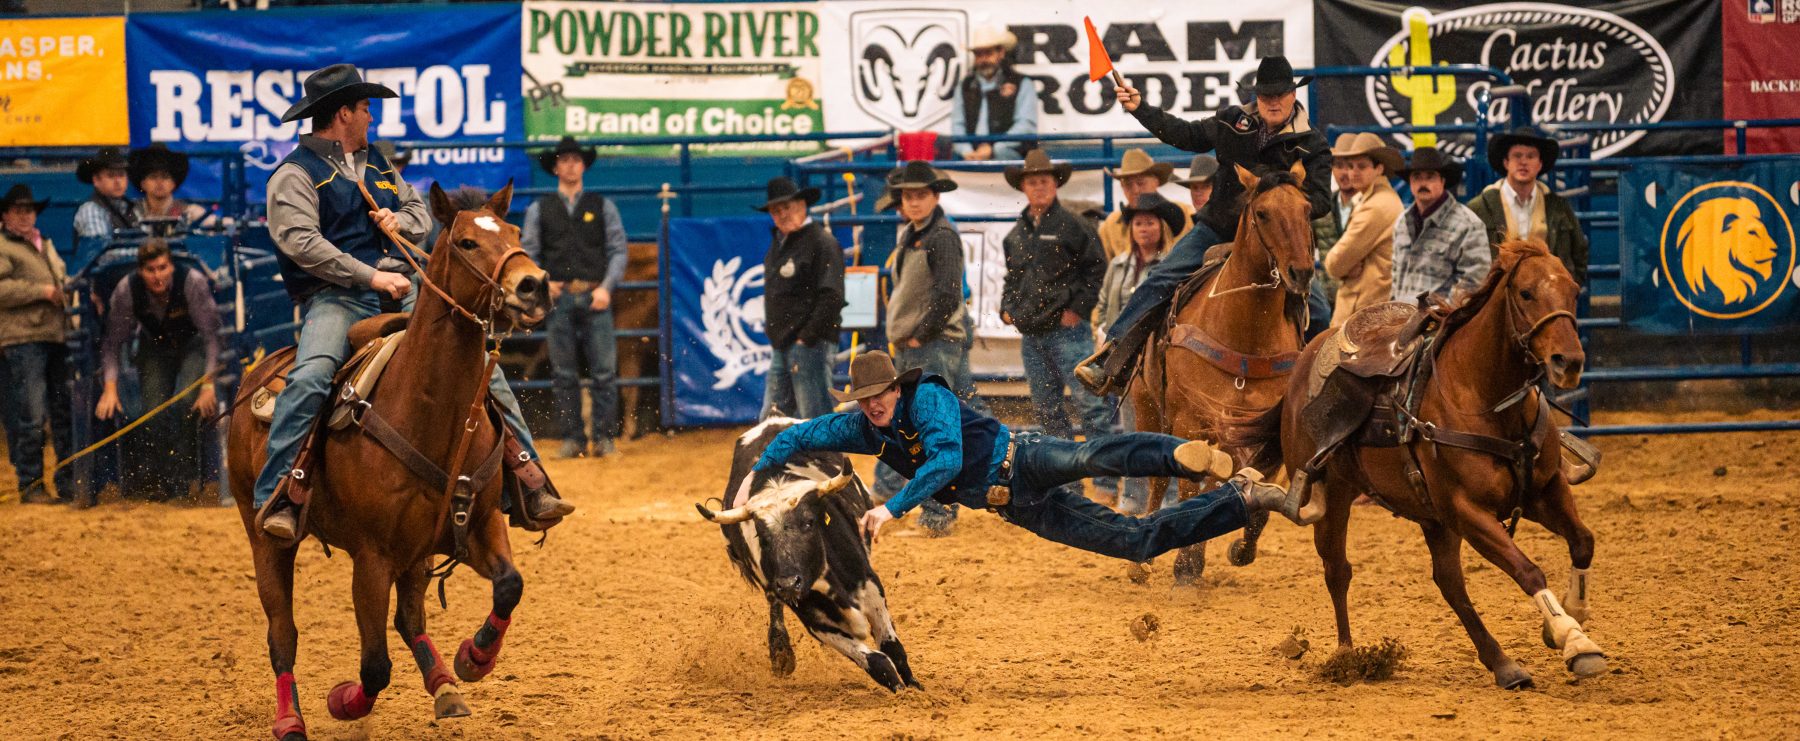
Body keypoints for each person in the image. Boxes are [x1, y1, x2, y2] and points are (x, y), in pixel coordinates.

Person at [256, 64, 572, 538]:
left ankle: (529, 480)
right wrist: (370, 276)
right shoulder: (294, 175)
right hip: (338, 301)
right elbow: (302, 243)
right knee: (312, 377)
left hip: (405, 294)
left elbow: (419, 216)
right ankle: (281, 494)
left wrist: (397, 221)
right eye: (365, 109)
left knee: (484, 365)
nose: (371, 118)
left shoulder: (378, 163)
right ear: (342, 113)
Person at [749, 351, 1307, 560]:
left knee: (1093, 456)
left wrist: (891, 509)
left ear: (898, 389)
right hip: (1017, 505)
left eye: (880, 396)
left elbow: (943, 462)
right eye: (865, 400)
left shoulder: (931, 400)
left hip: (1023, 458)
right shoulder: (865, 428)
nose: (872, 406)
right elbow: (803, 433)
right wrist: (756, 470)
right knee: (1134, 543)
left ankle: (1181, 457)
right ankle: (1241, 498)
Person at [1077, 56, 1332, 395]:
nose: (1273, 102)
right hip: (1218, 226)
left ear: (1292, 95)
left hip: (1278, 241)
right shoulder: (1231, 122)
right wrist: (1141, 108)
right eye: (1266, 95)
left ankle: (1316, 388)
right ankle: (1111, 358)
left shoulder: (1313, 144)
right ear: (1257, 96)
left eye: (1280, 94)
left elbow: (1322, 200)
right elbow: (1186, 134)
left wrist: (1281, 206)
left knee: (1318, 309)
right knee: (1162, 279)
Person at [998, 150, 1114, 502]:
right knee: (1048, 409)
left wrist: (1077, 309)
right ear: (1024, 186)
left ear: (1055, 184)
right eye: (1032, 182)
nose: (1038, 187)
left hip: (1067, 331)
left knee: (1090, 405)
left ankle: (1106, 482)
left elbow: (1097, 270)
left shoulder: (1075, 225)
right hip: (1033, 334)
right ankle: (1067, 482)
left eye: (1044, 181)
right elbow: (1012, 278)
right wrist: (1007, 307)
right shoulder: (1016, 234)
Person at [876, 161, 979, 534]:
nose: (914, 202)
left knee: (931, 429)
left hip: (932, 346)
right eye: (909, 196)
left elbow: (948, 292)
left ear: (935, 197)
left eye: (921, 195)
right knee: (948, 422)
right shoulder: (915, 234)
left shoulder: (940, 236)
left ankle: (938, 514)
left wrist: (921, 332)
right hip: (922, 345)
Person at [521, 136, 629, 459]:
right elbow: (528, 253)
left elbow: (618, 250)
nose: (570, 165)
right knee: (564, 372)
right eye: (564, 160)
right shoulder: (540, 209)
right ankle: (574, 438)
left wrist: (606, 288)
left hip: (594, 294)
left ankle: (603, 437)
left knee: (604, 372)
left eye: (576, 159)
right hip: (559, 297)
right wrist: (545, 284)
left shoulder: (602, 205)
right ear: (555, 167)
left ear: (583, 165)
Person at [95, 240, 220, 502]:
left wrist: (209, 385)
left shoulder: (192, 281)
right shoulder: (127, 290)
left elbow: (212, 336)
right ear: (141, 271)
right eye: (151, 269)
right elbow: (112, 342)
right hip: (155, 346)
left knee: (187, 403)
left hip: (192, 344)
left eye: (162, 268)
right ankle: (162, 481)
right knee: (152, 411)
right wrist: (110, 387)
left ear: (171, 267)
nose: (157, 275)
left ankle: (187, 480)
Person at [1096, 192, 1185, 514]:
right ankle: (1134, 498)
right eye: (1138, 223)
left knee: (1165, 430)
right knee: (1134, 431)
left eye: (1150, 222)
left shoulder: (1174, 267)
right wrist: (1102, 334)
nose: (1143, 228)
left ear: (1161, 228)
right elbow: (1105, 305)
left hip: (1161, 360)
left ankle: (1169, 496)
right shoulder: (1118, 265)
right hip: (1127, 362)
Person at [0, 184, 75, 504]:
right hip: (23, 337)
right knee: (31, 414)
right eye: (18, 210)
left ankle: (66, 481)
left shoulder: (44, 243)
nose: (25, 215)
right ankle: (30, 484)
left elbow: (61, 280)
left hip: (55, 334)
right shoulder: (4, 246)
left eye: (29, 210)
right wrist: (43, 292)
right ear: (5, 215)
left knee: (60, 412)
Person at [756, 176, 844, 419]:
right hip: (785, 344)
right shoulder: (780, 244)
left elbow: (832, 295)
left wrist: (806, 337)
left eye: (787, 207)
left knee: (812, 417)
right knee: (773, 418)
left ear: (802, 205)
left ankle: (826, 458)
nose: (782, 214)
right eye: (776, 210)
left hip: (809, 344)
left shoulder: (821, 242)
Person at [1467, 126, 1589, 286]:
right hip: (1498, 298)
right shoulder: (1479, 208)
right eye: (1517, 156)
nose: (1523, 162)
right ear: (1506, 162)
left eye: (1531, 156)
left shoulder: (1559, 206)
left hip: (1547, 296)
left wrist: (1564, 288)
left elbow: (1579, 253)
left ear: (1539, 164)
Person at [1320, 133, 1404, 327]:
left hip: (1361, 312)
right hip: (1369, 307)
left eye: (1362, 166)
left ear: (1379, 168)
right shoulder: (1379, 199)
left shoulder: (1374, 206)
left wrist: (1345, 266)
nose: (1353, 173)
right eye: (1351, 166)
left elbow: (1334, 263)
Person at [1391, 147, 1492, 304]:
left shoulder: (1468, 225)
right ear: (1410, 182)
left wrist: (1439, 317)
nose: (1423, 183)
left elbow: (1473, 284)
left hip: (1442, 324)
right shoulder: (1401, 222)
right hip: (1401, 321)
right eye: (1417, 177)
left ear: (1442, 181)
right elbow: (1396, 277)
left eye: (1430, 177)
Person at [950, 26, 1038, 162]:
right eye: (979, 55)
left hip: (1009, 152)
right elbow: (957, 124)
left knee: (1002, 151)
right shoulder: (964, 86)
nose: (983, 60)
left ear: (1001, 53)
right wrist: (966, 151)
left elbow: (1026, 125)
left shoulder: (1022, 83)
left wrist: (993, 147)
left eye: (988, 53)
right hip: (972, 154)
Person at [1096, 149, 1191, 261]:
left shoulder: (1185, 214)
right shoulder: (1110, 225)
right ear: (1122, 187)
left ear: (1156, 182)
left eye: (1141, 183)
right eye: (1128, 184)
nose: (1135, 190)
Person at [129, 144, 210, 232]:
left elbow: (215, 223)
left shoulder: (190, 213)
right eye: (153, 177)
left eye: (165, 177)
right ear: (143, 184)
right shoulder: (131, 213)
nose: (159, 182)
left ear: (173, 183)